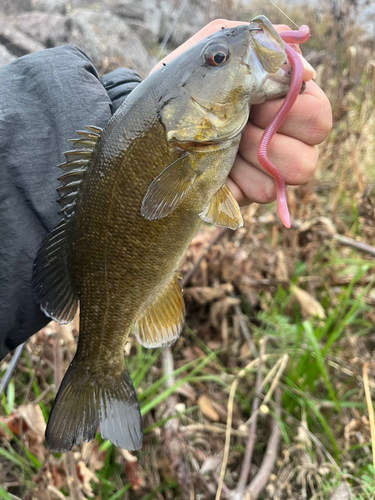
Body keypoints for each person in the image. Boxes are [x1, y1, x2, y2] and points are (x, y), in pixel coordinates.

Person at [0, 20, 332, 360]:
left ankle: (99, 358)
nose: (224, 57)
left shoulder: (180, 133)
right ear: (173, 111)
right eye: (217, 57)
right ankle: (98, 364)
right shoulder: (179, 142)